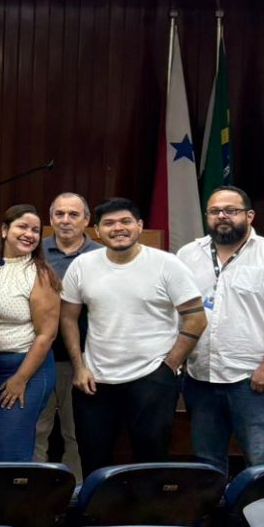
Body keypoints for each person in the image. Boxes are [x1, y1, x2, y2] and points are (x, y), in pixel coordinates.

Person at [60, 197, 206, 476]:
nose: (118, 228)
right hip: (95, 380)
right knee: (93, 460)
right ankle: (97, 506)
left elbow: (197, 318)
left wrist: (169, 365)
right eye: (109, 223)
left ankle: (147, 507)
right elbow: (67, 317)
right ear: (97, 231)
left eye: (126, 221)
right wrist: (79, 367)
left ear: (139, 226)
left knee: (150, 463)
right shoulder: (82, 265)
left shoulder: (167, 264)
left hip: (152, 377)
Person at [177, 186, 264, 472]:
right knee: (206, 463)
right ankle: (212, 504)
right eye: (215, 211)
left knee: (262, 461)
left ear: (249, 216)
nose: (222, 216)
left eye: (231, 210)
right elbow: (177, 310)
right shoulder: (188, 255)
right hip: (201, 377)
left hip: (254, 379)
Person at [0, 204, 60, 462]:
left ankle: (17, 490)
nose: (29, 234)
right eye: (23, 227)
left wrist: (21, 378)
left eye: (35, 230)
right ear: (4, 230)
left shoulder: (41, 275)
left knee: (10, 448)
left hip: (24, 366)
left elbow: (46, 336)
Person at [35, 192, 100, 475]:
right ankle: (34, 487)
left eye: (73, 215)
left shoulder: (101, 254)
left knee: (77, 431)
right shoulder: (34, 250)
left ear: (87, 220)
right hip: (38, 356)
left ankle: (76, 490)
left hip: (85, 359)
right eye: (59, 214)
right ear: (50, 219)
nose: (65, 220)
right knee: (37, 429)